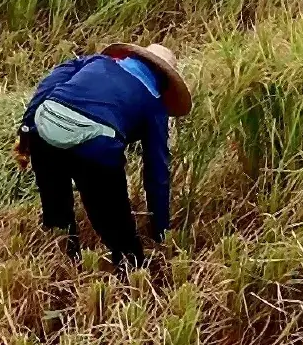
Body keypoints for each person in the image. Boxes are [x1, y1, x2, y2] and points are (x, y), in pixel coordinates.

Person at [14, 43, 192, 271]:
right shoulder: (154, 105)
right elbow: (157, 172)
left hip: (46, 126)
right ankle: (131, 270)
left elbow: (50, 82)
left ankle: (61, 268)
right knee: (116, 226)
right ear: (164, 81)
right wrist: (161, 229)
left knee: (57, 212)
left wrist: (28, 126)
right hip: (96, 147)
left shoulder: (95, 62)